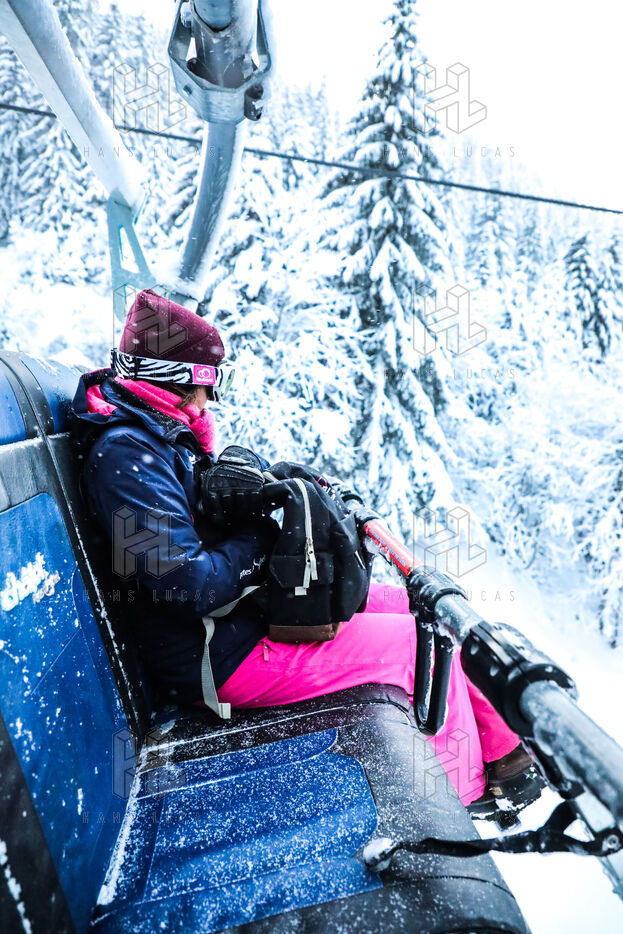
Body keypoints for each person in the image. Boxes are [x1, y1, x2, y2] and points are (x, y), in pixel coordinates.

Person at [71, 289, 542, 816]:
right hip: (214, 657)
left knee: (415, 611)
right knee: (415, 646)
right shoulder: (125, 456)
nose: (208, 404)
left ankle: (506, 755)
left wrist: (262, 483)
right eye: (204, 388)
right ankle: (461, 803)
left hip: (236, 623)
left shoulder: (157, 435)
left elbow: (198, 518)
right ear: (170, 380)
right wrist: (265, 534)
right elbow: (187, 584)